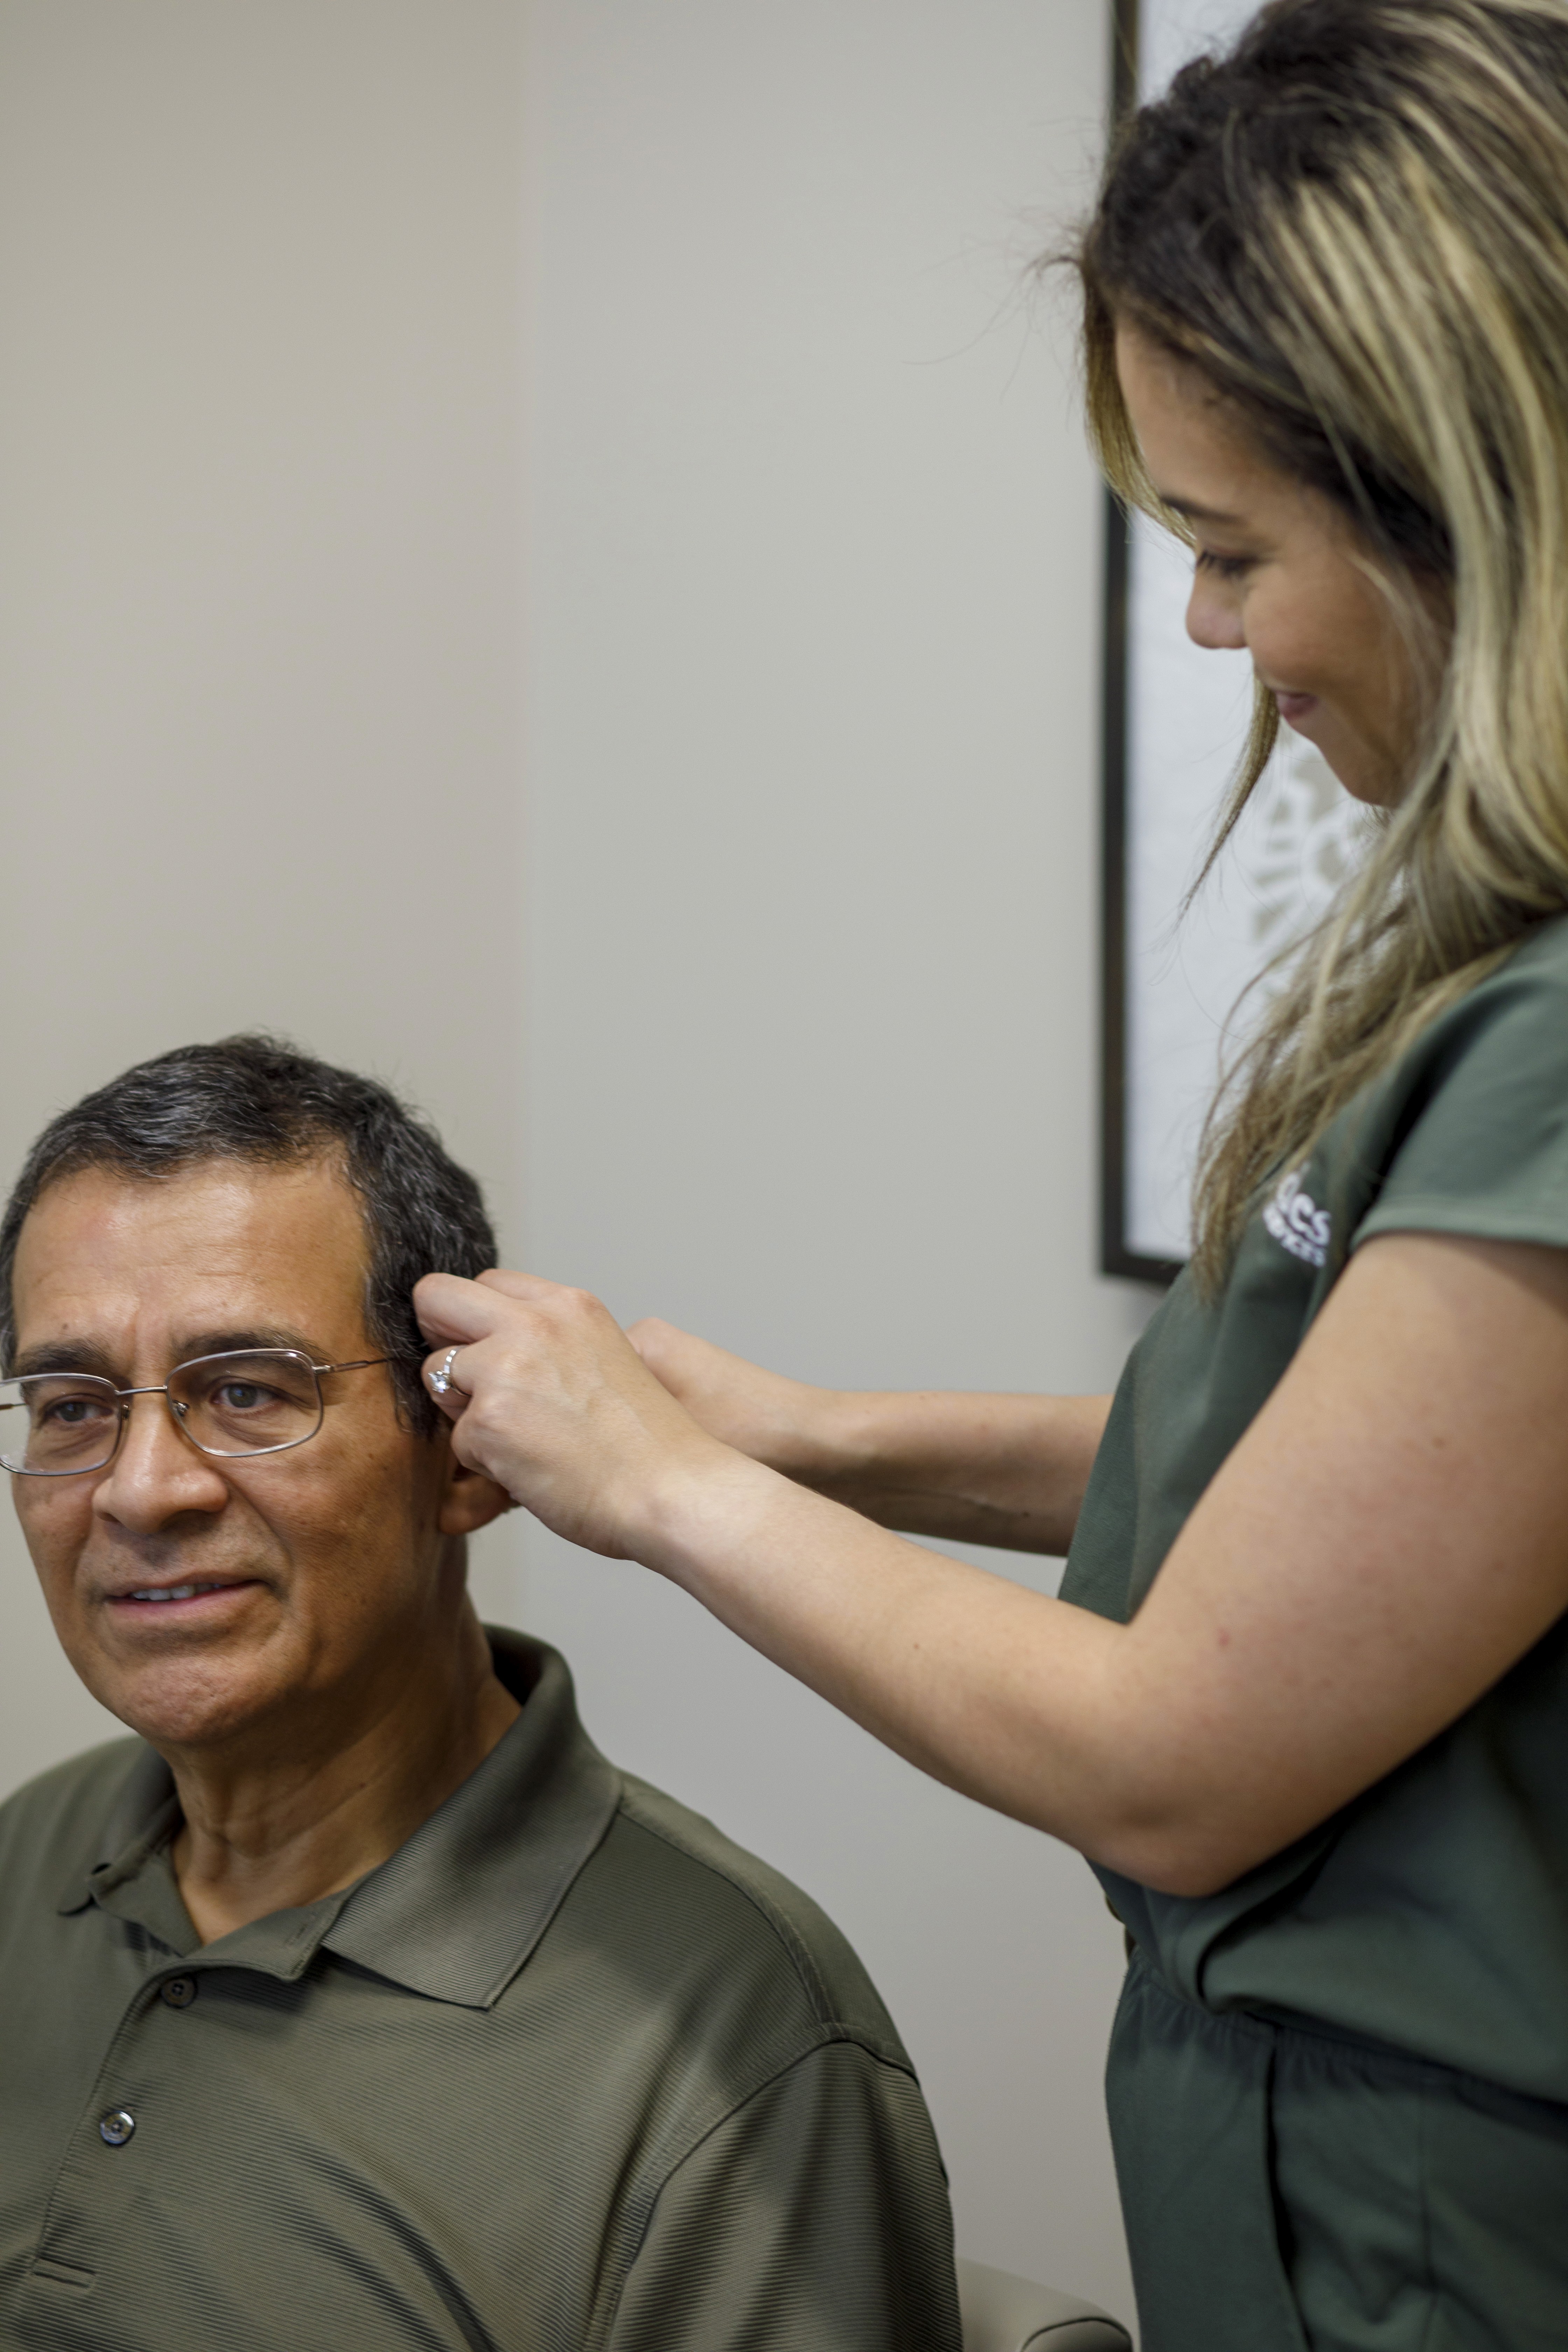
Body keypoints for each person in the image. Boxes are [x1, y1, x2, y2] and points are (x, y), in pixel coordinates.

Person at [408, 5, 1568, 2348]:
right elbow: (1336, 1497)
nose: (1210, 629)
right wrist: (804, 1433)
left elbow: (1175, 1753)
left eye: (1236, 548)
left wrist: (664, 1494)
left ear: (1475, 500)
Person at [0, 1036, 960, 2352]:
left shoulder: (735, 2044)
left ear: (466, 1457)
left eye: (245, 1393)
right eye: (70, 1405)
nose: (139, 1488)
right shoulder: (25, 1855)